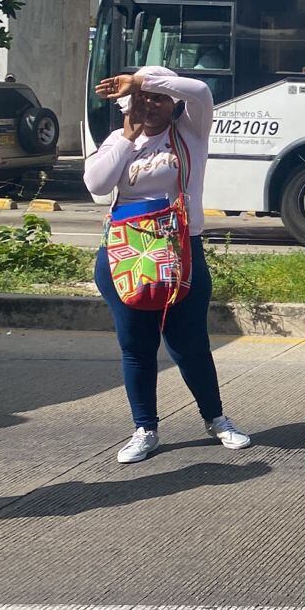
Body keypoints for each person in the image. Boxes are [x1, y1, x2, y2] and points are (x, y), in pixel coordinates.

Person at [86, 67, 250, 463]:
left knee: (189, 342)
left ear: (171, 102)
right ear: (127, 105)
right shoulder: (117, 140)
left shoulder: (190, 133)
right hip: (127, 254)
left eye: (158, 96)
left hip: (181, 251)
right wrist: (128, 134)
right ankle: (145, 428)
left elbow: (199, 90)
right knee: (136, 345)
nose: (151, 103)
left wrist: (140, 81)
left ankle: (216, 419)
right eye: (142, 97)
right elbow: (97, 184)